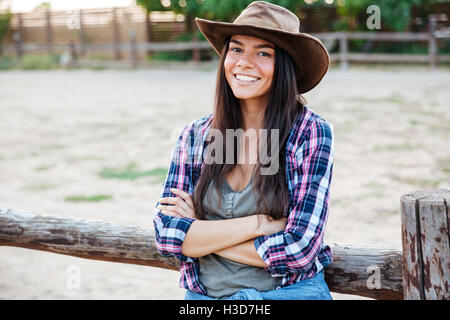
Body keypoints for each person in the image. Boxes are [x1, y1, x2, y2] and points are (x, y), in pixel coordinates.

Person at [153, 1, 334, 300]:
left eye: (263, 52)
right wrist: (260, 224)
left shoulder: (310, 133)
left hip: (288, 295)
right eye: (236, 49)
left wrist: (200, 233)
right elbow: (167, 235)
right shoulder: (196, 136)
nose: (245, 62)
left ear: (285, 65)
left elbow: (299, 250)